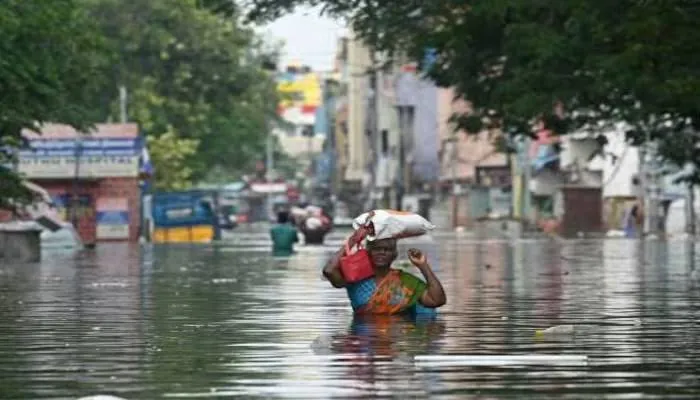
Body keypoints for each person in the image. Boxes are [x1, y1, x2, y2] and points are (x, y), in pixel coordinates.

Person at [323, 230, 446, 316]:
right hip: (364, 340)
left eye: (387, 249)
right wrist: (354, 240)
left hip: (397, 338)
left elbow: (436, 300)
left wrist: (423, 265)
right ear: (368, 252)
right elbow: (329, 270)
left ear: (394, 254)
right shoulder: (355, 280)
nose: (382, 252)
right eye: (377, 249)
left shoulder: (406, 281)